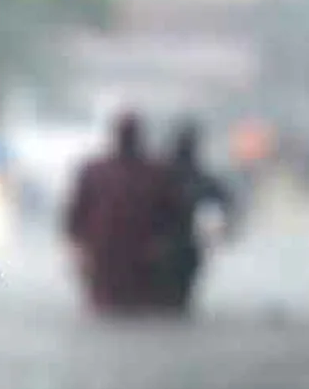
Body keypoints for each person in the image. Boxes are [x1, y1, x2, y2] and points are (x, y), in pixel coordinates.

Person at [63, 111, 185, 317]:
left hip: (134, 256)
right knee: (112, 307)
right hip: (108, 255)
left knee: (128, 308)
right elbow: (75, 214)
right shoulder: (98, 171)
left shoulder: (154, 173)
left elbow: (173, 216)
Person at [160, 120, 240, 314]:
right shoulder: (190, 177)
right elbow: (226, 201)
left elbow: (225, 201)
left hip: (173, 247)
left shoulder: (161, 174)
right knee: (175, 305)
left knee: (168, 305)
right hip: (179, 247)